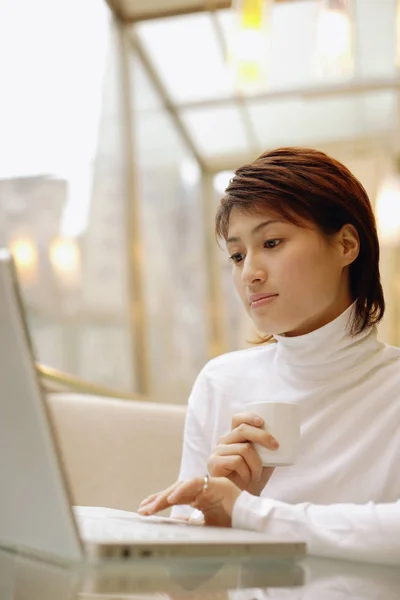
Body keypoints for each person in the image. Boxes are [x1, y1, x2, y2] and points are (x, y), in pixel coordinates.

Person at [139, 147, 400, 565]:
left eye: (272, 242)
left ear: (347, 244)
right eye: (237, 255)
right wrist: (219, 510)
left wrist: (249, 512)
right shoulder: (221, 381)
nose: (250, 273)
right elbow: (187, 584)